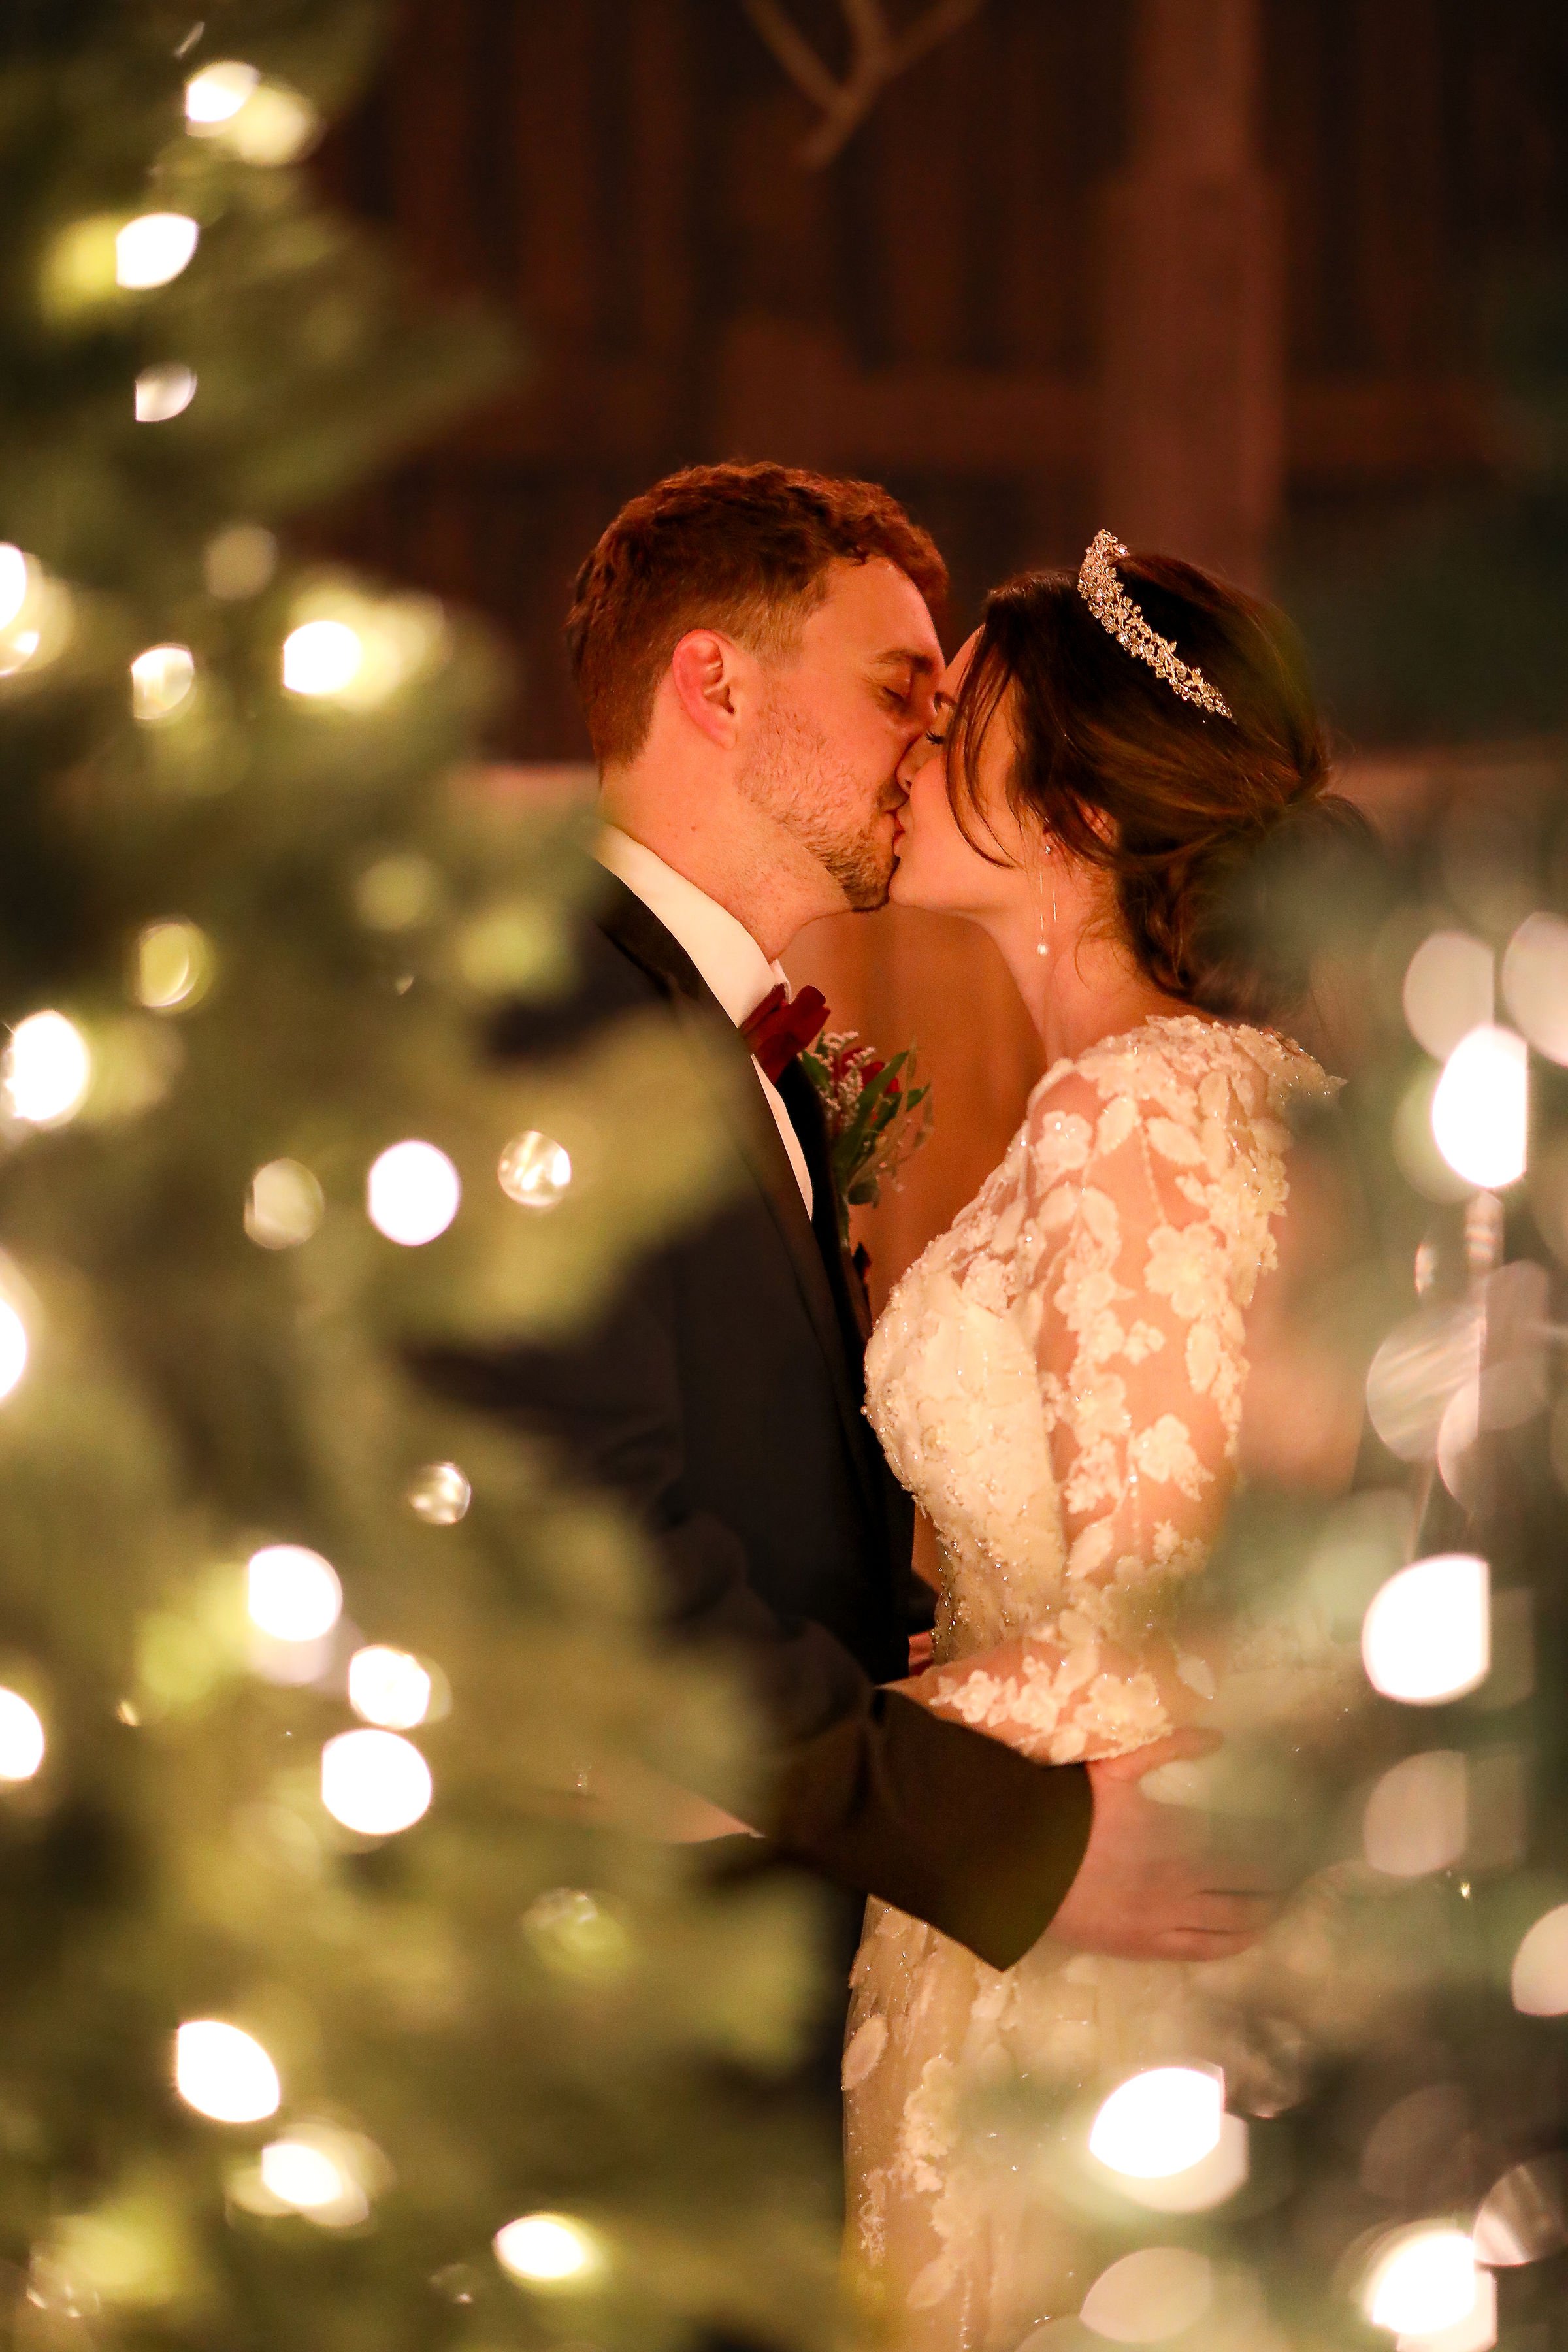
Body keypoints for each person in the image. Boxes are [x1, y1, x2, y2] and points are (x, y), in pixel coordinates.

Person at [423, 467, 1288, 2059]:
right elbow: (597, 1544)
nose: (927, 735)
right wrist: (966, 1815)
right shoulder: (553, 1027)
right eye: (902, 687)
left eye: (952, 705)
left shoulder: (747, 1047)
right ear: (716, 682)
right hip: (643, 1974)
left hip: (831, 1927)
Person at [842, 532, 1371, 2345]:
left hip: (1083, 1934)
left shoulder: (1131, 1115)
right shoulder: (1235, 1093)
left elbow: (1168, 1633)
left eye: (951, 728)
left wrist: (836, 1751)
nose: (905, 761)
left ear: (1066, 807)